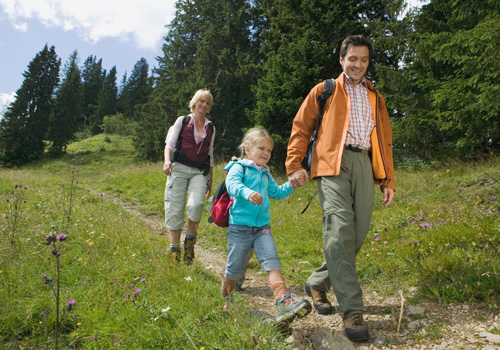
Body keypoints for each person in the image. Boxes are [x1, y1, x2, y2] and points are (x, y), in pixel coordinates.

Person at [286, 35, 396, 341]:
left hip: (364, 164)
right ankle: (352, 310)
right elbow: (301, 127)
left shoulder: (376, 97)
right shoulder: (325, 90)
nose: (358, 64)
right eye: (353, 59)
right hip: (331, 164)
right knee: (339, 228)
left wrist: (388, 180)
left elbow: (385, 141)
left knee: (356, 233)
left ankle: (318, 282)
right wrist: (295, 165)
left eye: (364, 60)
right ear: (342, 60)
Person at [221, 127, 312, 322]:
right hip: (240, 227)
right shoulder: (239, 167)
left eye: (269, 150)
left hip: (262, 227)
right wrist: (248, 193)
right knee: (235, 268)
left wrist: (291, 185)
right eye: (261, 148)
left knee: (272, 262)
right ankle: (225, 296)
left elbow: (277, 193)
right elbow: (233, 185)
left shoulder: (266, 174)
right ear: (247, 148)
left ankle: (283, 302)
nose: (266, 153)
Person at [163, 89, 215, 265]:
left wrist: (210, 180)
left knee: (196, 204)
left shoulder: (211, 127)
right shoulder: (183, 121)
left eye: (207, 103)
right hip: (178, 168)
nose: (204, 105)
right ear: (194, 102)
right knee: (175, 208)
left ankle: (190, 244)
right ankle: (174, 250)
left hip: (199, 172)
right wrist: (167, 161)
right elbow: (169, 144)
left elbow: (210, 155)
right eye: (201, 101)